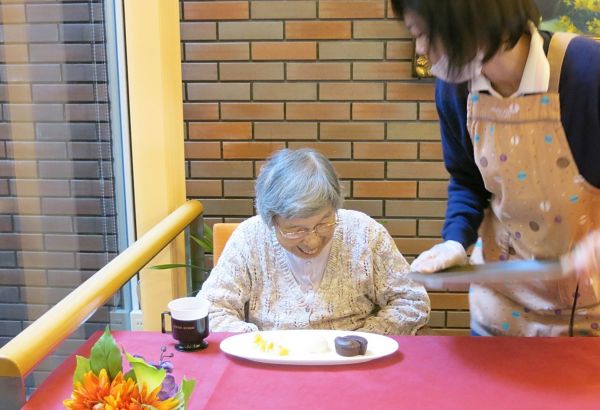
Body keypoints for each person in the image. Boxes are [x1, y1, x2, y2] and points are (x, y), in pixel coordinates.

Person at [391, 0, 600, 336]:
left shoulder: (587, 71)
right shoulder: (456, 90)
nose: (421, 50)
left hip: (589, 310)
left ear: (471, 20)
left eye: (425, 34)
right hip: (502, 308)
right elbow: (466, 180)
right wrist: (456, 240)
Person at [198, 148, 430, 334]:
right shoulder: (250, 237)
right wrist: (260, 345)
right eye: (294, 230)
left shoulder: (364, 233)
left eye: (323, 224)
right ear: (270, 221)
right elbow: (212, 310)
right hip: (273, 365)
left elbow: (411, 302)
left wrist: (363, 338)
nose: (311, 242)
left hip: (353, 363)